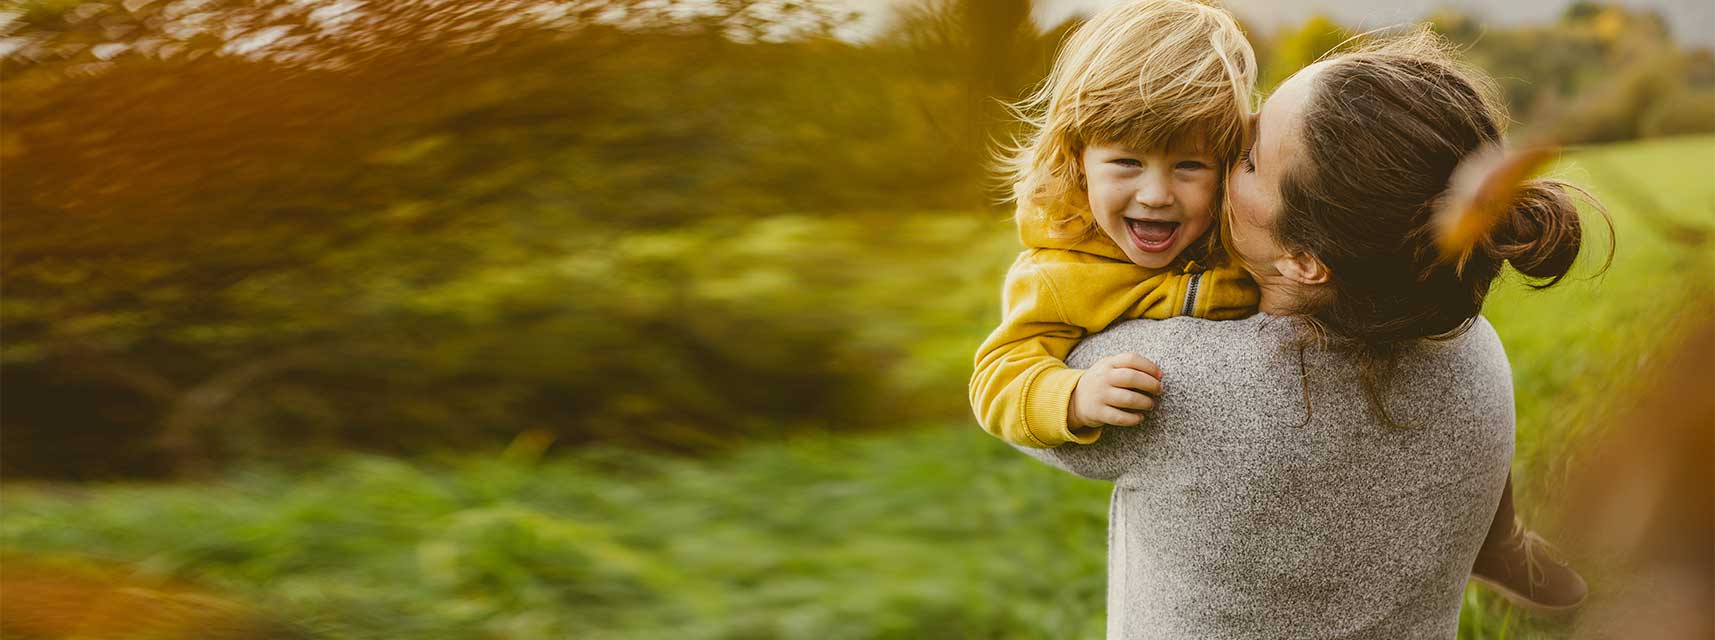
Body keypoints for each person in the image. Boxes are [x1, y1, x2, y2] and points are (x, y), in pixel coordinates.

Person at [1011, 28, 1608, 637]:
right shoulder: (1475, 348)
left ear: (1303, 258)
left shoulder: (1170, 381)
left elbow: (1022, 392)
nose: (1224, 144)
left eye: (1244, 159)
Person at [969, 0, 1259, 452]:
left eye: (1188, 165)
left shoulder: (1243, 233)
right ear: (1077, 161)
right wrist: (1074, 397)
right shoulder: (1059, 274)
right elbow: (996, 377)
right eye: (1127, 162)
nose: (1156, 194)